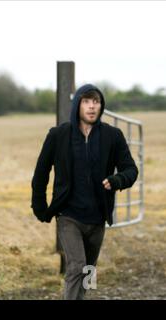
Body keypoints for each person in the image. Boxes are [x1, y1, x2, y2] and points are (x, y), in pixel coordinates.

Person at [31, 84, 138, 299]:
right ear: (77, 104)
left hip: (98, 217)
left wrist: (117, 180)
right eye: (86, 101)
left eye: (96, 102)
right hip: (69, 216)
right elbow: (41, 173)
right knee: (77, 266)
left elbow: (131, 170)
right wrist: (40, 207)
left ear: (101, 106)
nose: (92, 106)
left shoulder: (112, 135)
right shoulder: (58, 135)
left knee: (89, 271)